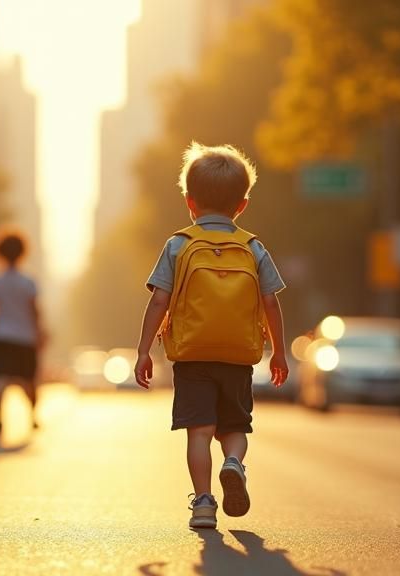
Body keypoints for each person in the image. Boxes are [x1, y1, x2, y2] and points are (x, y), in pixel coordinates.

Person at [134, 142, 288, 530]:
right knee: (235, 429)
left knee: (199, 432)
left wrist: (143, 351)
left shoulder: (179, 245)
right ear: (242, 205)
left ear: (190, 202)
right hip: (238, 356)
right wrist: (280, 354)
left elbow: (159, 303)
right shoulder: (253, 248)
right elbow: (271, 304)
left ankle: (203, 503)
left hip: (192, 356)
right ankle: (234, 462)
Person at [0, 228, 46, 440]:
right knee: (28, 380)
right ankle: (32, 415)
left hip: (2, 337)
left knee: (0, 379)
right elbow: (35, 311)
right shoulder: (28, 281)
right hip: (25, 338)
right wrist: (39, 333)